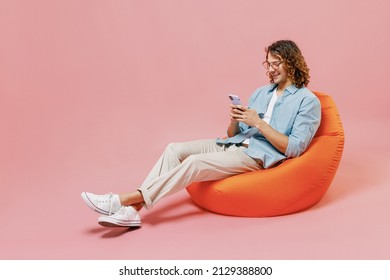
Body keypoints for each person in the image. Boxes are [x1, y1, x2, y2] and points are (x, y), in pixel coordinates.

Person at [81, 40, 321, 227]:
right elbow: (232, 133)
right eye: (267, 64)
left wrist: (259, 124)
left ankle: (122, 200)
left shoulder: (307, 101)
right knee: (175, 148)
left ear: (291, 61)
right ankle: (132, 212)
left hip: (258, 156)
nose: (270, 69)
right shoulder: (262, 92)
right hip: (236, 143)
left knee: (194, 162)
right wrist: (236, 118)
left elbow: (295, 148)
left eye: (275, 63)